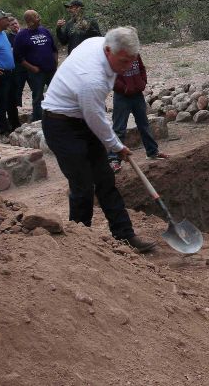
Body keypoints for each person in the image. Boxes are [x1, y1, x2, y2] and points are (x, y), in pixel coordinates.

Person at [40, 26, 156, 252]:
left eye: (131, 61)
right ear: (108, 51)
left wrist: (113, 145)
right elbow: (96, 118)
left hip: (81, 117)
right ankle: (80, 245)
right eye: (123, 62)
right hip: (60, 124)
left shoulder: (100, 43)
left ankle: (125, 235)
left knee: (105, 181)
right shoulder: (91, 79)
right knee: (82, 186)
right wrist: (117, 146)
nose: (127, 67)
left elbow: (93, 117)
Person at [107, 53, 170, 173]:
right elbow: (111, 76)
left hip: (137, 95)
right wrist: (124, 88)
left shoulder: (135, 53)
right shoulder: (114, 54)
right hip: (122, 97)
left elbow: (141, 68)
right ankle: (114, 160)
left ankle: (152, 152)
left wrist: (142, 82)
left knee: (144, 124)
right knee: (119, 128)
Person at [13, 10, 59, 122]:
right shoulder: (21, 36)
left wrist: (55, 62)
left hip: (51, 70)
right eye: (37, 17)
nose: (40, 18)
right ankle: (38, 119)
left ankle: (58, 117)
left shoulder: (45, 31)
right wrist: (32, 68)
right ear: (30, 21)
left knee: (57, 93)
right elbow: (18, 57)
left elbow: (54, 49)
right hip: (36, 73)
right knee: (38, 96)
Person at [6, 16, 30, 108]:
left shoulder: (26, 33)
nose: (14, 25)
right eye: (12, 25)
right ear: (9, 27)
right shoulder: (7, 37)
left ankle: (41, 109)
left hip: (30, 66)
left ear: (18, 23)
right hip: (17, 68)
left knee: (36, 89)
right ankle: (18, 110)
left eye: (15, 23)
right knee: (17, 90)